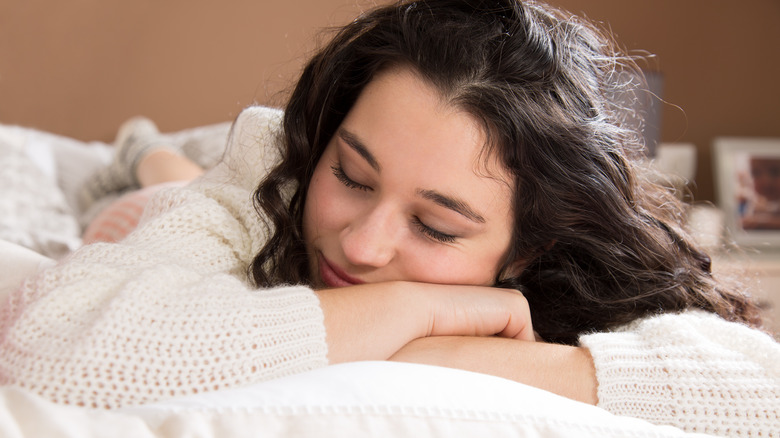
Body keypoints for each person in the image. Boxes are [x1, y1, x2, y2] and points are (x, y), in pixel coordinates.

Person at [1, 0, 777, 436]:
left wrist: (471, 359)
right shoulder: (269, 177)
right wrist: (423, 303)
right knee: (154, 192)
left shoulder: (565, 257)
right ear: (325, 142)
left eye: (437, 227)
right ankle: (141, 154)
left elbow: (761, 391)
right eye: (353, 174)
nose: (363, 246)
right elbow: (52, 345)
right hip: (201, 188)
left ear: (528, 247)